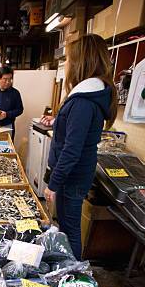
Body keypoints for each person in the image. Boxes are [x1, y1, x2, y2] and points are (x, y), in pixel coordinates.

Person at [44, 34, 117, 260]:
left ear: (82, 62)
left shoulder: (84, 101)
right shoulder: (87, 96)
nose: (67, 66)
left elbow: (72, 150)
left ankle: (72, 277)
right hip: (74, 176)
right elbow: (75, 133)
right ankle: (67, 272)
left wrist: (52, 185)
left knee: (70, 230)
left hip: (72, 178)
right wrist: (59, 121)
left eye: (70, 60)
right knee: (67, 226)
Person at [0, 65, 24, 140]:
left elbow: (20, 109)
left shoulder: (15, 93)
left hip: (8, 126)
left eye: (10, 79)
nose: (8, 82)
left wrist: (7, 114)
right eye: (5, 79)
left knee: (8, 149)